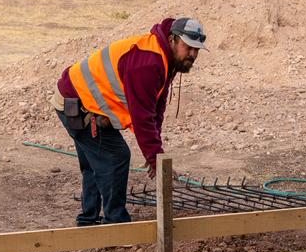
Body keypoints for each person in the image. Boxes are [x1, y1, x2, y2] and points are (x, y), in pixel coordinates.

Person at [51, 17, 207, 226]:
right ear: (172, 39)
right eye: (188, 48)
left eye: (197, 50)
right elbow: (141, 116)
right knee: (116, 157)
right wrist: (154, 158)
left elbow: (155, 107)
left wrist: (155, 152)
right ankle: (116, 225)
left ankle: (88, 221)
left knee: (96, 162)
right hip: (77, 104)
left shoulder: (162, 57)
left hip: (77, 98)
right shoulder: (149, 63)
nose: (193, 55)